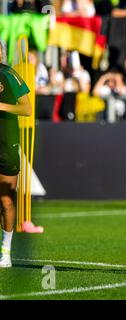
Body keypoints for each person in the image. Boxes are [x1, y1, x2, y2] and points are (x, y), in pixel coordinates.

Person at [0, 43, 32, 268]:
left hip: (6, 145)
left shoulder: (9, 75)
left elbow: (26, 109)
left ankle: (6, 253)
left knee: (5, 201)